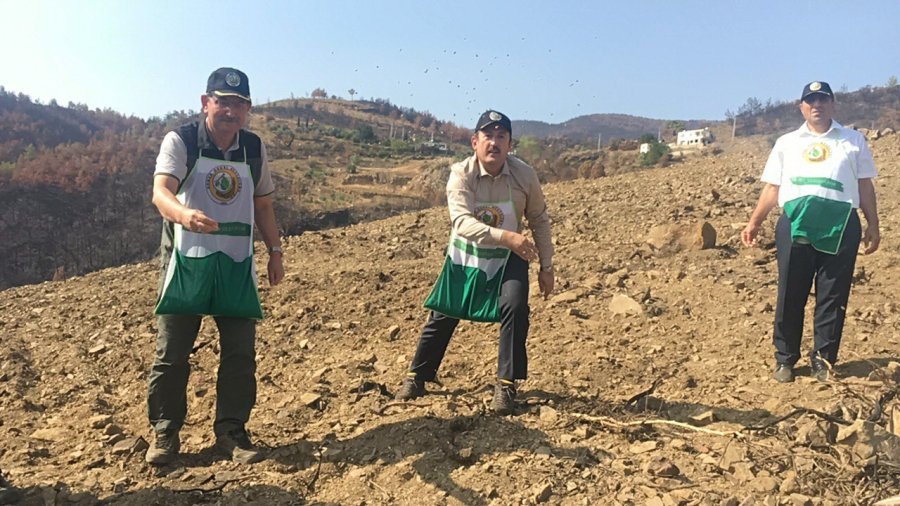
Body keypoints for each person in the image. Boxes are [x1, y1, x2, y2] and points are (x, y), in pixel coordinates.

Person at [146, 67, 284, 465]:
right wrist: (184, 215)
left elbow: (263, 205)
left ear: (248, 110)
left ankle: (231, 432)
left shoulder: (253, 149)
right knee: (172, 353)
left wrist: (275, 251)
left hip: (236, 264)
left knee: (240, 355)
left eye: (239, 104)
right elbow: (161, 192)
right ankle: (166, 432)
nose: (231, 110)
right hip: (187, 262)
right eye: (223, 101)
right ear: (205, 102)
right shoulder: (182, 140)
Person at [398, 110, 555, 414]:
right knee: (445, 311)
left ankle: (506, 386)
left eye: (501, 137)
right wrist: (508, 237)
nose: (494, 143)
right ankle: (417, 376)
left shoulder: (525, 176)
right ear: (474, 142)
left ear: (510, 144)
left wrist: (546, 267)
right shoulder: (461, 174)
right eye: (488, 136)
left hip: (509, 257)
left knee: (515, 306)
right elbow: (461, 223)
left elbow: (539, 218)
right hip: (467, 253)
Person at [742, 81, 879, 383]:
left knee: (833, 294)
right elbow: (772, 187)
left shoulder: (853, 140)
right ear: (801, 106)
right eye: (810, 100)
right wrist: (754, 222)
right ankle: (785, 359)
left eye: (822, 99)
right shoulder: (787, 142)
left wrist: (873, 224)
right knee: (791, 291)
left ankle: (824, 360)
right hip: (796, 222)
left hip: (840, 224)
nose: (816, 105)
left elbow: (865, 186)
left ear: (833, 104)